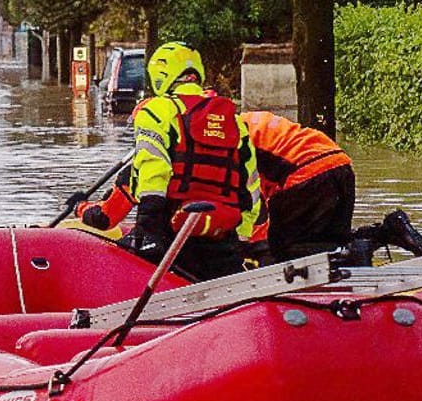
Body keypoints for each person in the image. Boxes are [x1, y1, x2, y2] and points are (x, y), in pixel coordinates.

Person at [116, 41, 260, 281]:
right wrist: (242, 238)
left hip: (173, 235)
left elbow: (154, 169)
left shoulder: (156, 110)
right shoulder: (232, 119)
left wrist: (146, 230)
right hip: (222, 236)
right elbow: (250, 185)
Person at [243, 110, 356, 259]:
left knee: (282, 249)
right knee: (335, 238)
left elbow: (253, 203)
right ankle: (375, 236)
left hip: (306, 172)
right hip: (340, 164)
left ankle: (346, 250)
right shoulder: (250, 120)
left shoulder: (232, 137)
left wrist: (250, 247)